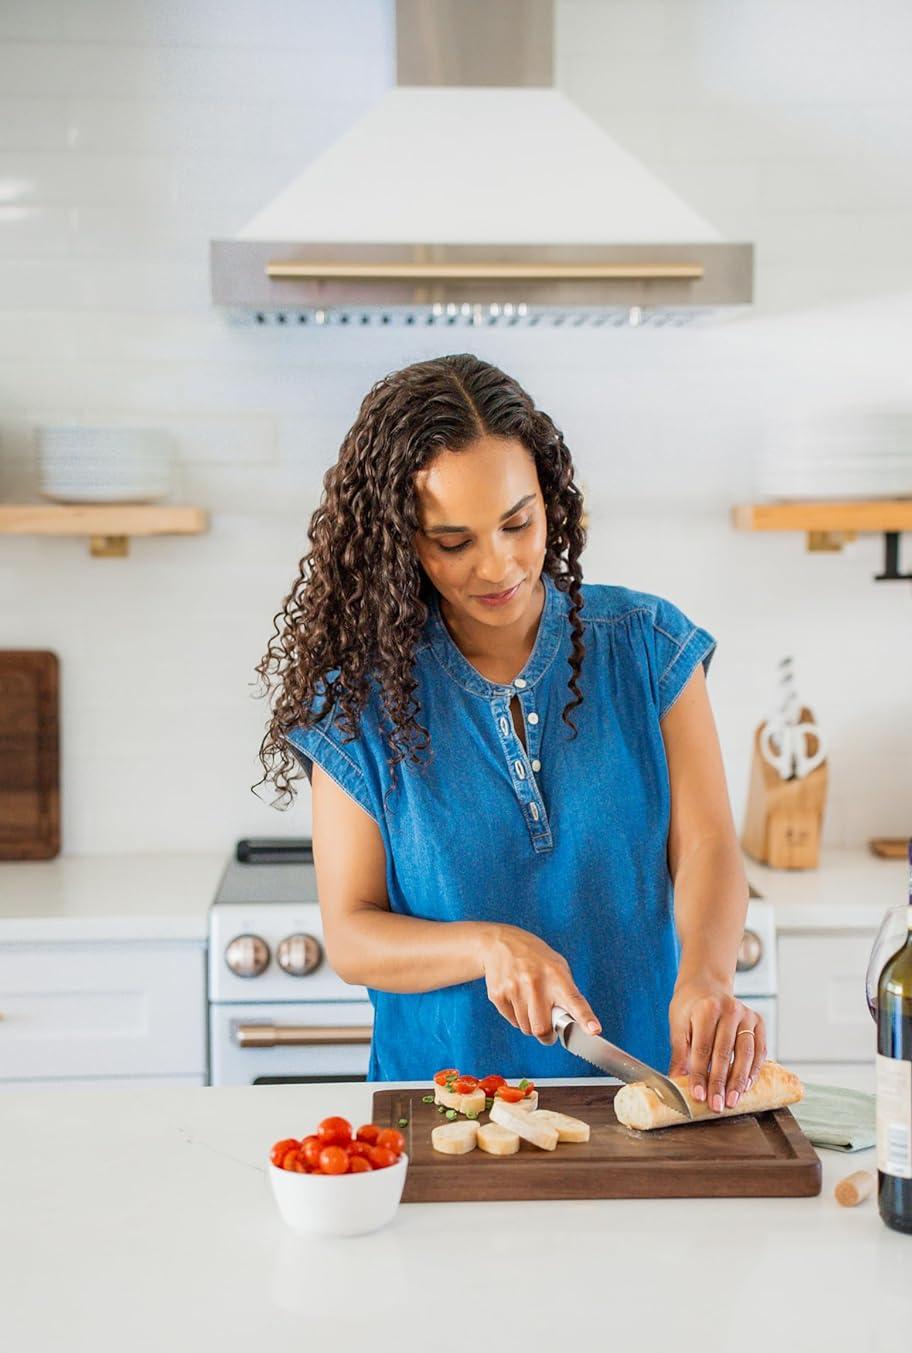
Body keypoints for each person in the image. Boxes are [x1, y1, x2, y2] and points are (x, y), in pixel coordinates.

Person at [255, 354, 757, 1109]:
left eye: (517, 523)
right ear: (402, 544)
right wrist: (488, 944)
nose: (500, 566)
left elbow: (710, 846)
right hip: (441, 1107)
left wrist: (707, 978)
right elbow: (353, 936)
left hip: (645, 1103)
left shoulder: (648, 645)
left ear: (549, 500)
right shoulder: (361, 698)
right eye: (453, 542)